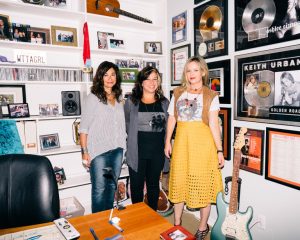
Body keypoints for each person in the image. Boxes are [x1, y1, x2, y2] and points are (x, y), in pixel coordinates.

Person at [164, 56, 224, 240]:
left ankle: (202, 226)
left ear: (203, 72)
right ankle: (177, 223)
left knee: (203, 186)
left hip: (203, 146)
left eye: (195, 70)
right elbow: (172, 119)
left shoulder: (211, 95)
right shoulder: (178, 93)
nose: (191, 74)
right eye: (188, 70)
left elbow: (214, 124)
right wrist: (167, 141)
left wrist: (219, 150)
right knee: (179, 184)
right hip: (182, 144)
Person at [79, 61, 127, 213]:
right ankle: (98, 226)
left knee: (111, 187)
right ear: (100, 77)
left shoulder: (119, 98)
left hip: (117, 150)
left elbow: (120, 124)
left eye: (113, 74)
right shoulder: (92, 98)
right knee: (99, 190)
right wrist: (84, 152)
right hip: (98, 151)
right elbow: (84, 127)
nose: (110, 78)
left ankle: (107, 221)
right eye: (106, 74)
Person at [124, 66, 169, 211]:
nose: (152, 82)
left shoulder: (164, 103)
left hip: (156, 153)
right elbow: (127, 123)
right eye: (147, 79)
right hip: (138, 152)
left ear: (159, 81)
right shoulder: (131, 101)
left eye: (155, 79)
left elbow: (169, 127)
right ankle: (137, 217)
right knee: (136, 187)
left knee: (154, 185)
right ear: (141, 82)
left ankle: (152, 216)